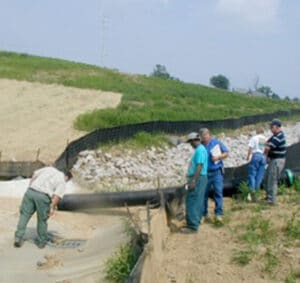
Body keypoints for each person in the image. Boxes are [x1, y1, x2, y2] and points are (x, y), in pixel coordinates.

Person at [14, 166, 73, 248]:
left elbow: (35, 174)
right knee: (42, 220)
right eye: (68, 180)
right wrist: (51, 208)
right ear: (67, 177)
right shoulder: (62, 181)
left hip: (30, 192)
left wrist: (30, 188)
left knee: (24, 215)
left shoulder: (49, 169)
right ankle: (41, 242)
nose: (66, 182)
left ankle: (18, 238)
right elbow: (57, 196)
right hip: (43, 196)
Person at [180, 132, 208, 233]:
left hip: (198, 178)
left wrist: (193, 181)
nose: (190, 145)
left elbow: (199, 166)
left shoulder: (200, 150)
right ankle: (197, 219)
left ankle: (192, 226)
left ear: (193, 141)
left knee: (192, 200)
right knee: (198, 200)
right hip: (201, 178)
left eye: (190, 142)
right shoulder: (201, 149)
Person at [200, 128, 229, 223]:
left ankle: (218, 214)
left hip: (217, 172)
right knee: (204, 194)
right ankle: (204, 214)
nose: (204, 137)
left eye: (205, 135)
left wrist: (218, 157)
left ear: (209, 134)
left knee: (218, 192)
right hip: (205, 173)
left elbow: (226, 153)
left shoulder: (216, 143)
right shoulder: (201, 146)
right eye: (202, 135)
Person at [264, 119, 286, 205]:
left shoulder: (279, 137)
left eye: (272, 127)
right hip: (273, 159)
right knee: (266, 178)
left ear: (277, 127)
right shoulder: (274, 136)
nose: (271, 129)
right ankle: (268, 196)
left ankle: (272, 200)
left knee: (272, 179)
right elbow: (266, 143)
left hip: (277, 160)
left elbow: (268, 147)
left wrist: (265, 151)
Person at [246, 127, 267, 200]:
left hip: (256, 155)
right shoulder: (265, 139)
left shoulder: (254, 138)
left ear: (257, 131)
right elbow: (266, 149)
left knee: (252, 174)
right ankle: (257, 190)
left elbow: (250, 148)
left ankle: (252, 191)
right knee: (259, 175)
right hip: (263, 157)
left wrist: (248, 156)